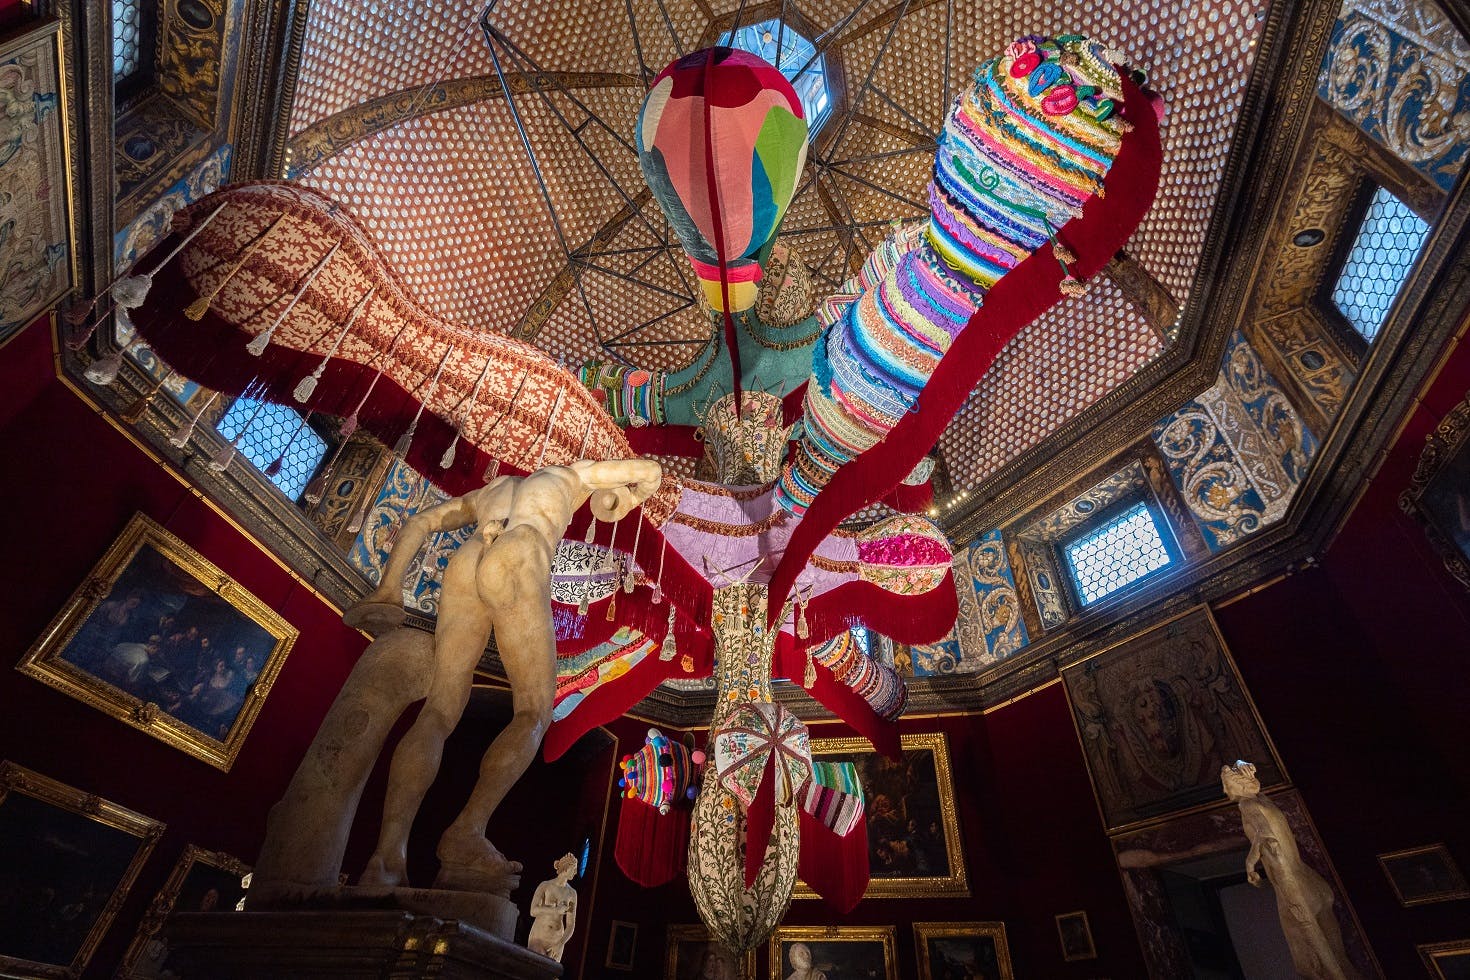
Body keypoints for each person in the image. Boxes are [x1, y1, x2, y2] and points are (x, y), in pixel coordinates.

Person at [348, 458, 662, 892]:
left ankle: (385, 858)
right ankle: (467, 830)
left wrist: (389, 588)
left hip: (467, 560)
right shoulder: (571, 475)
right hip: (519, 553)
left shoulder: (489, 493)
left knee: (438, 710)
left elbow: (421, 520)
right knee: (534, 712)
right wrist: (621, 500)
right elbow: (649, 470)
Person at [1222, 762, 1362, 980]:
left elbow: (1265, 836)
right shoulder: (1266, 802)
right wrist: (1242, 767)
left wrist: (1250, 863)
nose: (1225, 791)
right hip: (1310, 879)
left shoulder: (1247, 806)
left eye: (1226, 785)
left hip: (1290, 883)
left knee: (1317, 959)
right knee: (1338, 954)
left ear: (1239, 786)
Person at [526, 853, 578, 961]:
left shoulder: (571, 894)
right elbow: (533, 911)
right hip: (539, 937)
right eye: (573, 869)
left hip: (557, 940)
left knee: (551, 974)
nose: (575, 872)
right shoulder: (545, 886)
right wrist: (555, 910)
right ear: (566, 868)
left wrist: (561, 943)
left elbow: (570, 924)